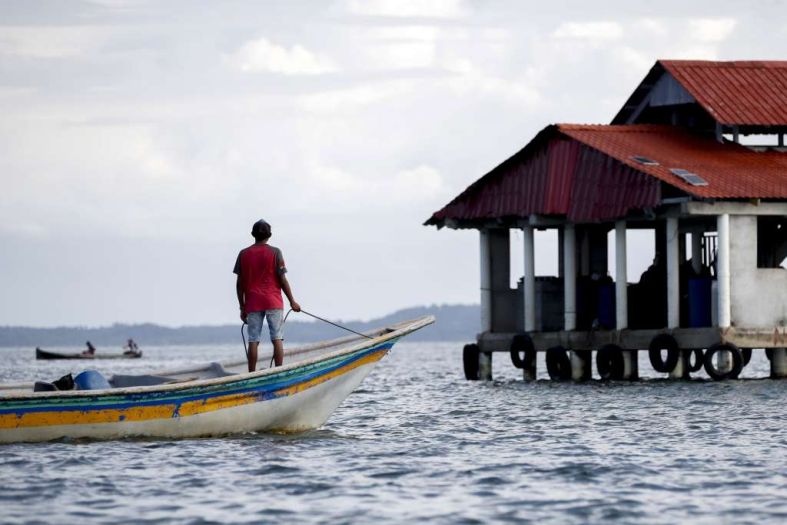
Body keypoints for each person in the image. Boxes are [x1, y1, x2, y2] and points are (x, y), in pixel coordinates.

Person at [234, 219, 300, 372]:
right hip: (273, 301)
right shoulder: (275, 252)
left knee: (253, 339)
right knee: (277, 337)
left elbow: (239, 284)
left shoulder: (243, 254)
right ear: (269, 235)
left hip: (253, 302)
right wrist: (292, 302)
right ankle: (278, 371)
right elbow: (282, 279)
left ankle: (252, 373)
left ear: (253, 235)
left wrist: (242, 307)